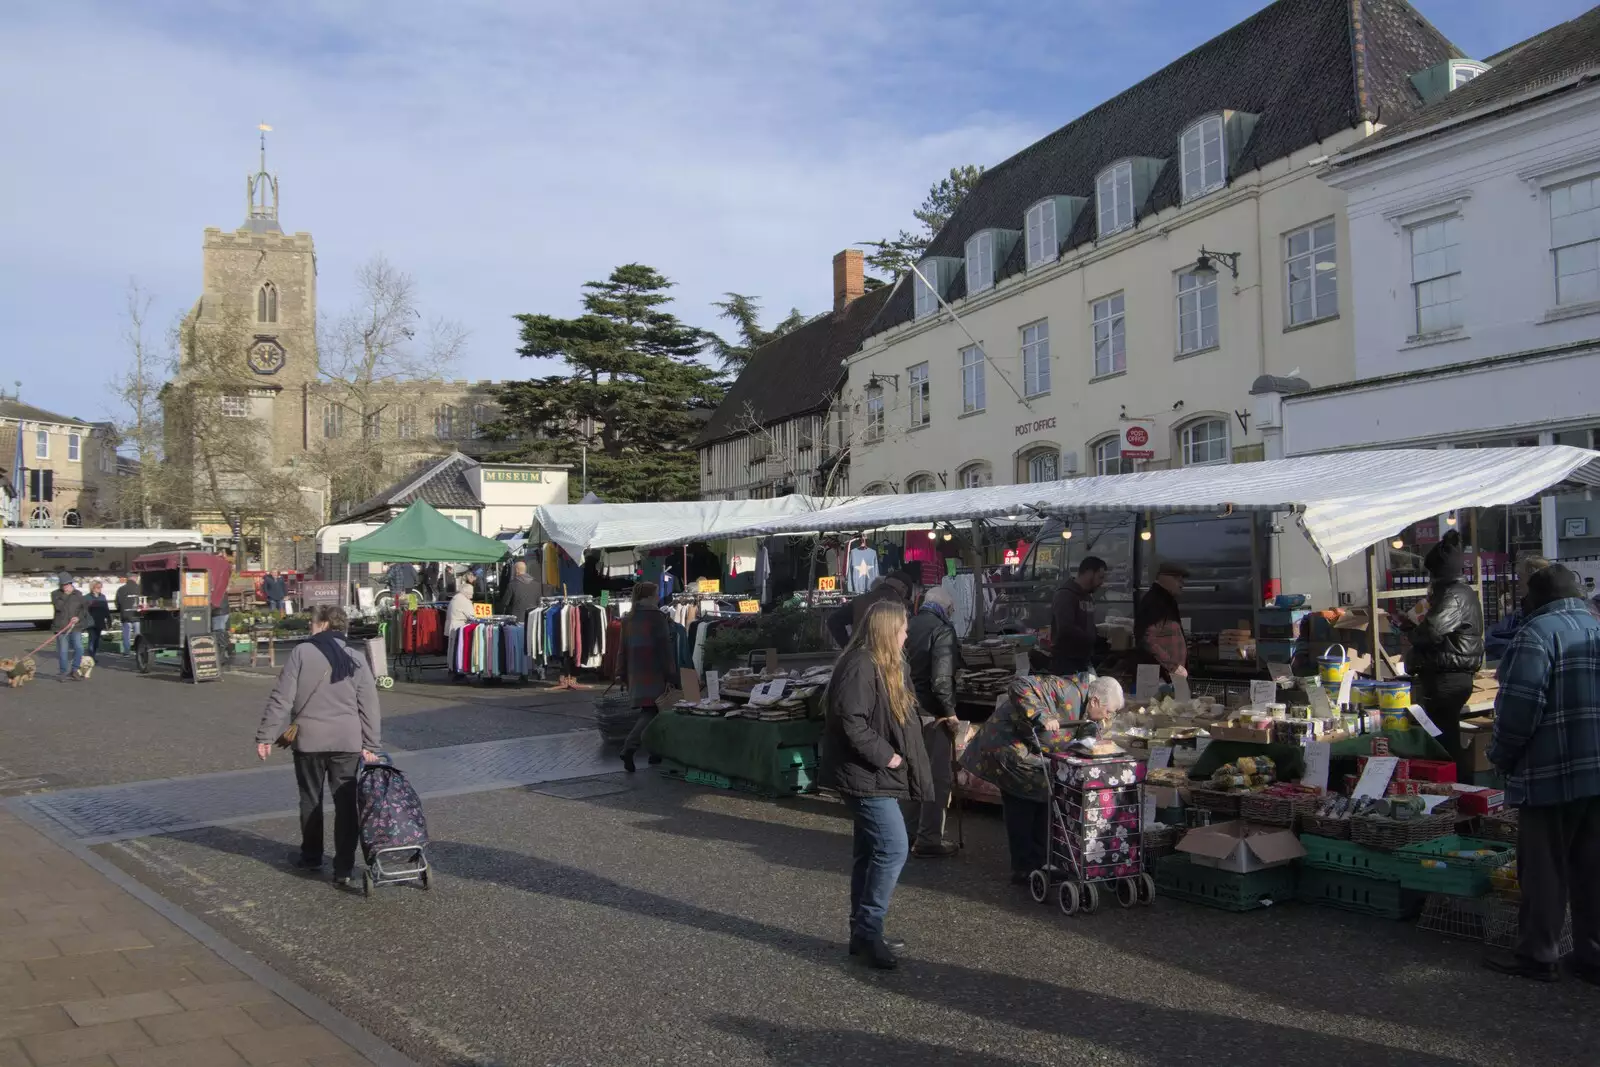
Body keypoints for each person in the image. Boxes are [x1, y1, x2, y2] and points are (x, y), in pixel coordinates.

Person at [1486, 565, 1600, 983]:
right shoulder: (1595, 627)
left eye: (1524, 595)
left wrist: (1501, 756)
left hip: (1550, 774)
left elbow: (1518, 711)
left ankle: (1539, 954)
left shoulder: (1537, 634)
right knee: (1593, 868)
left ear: (1538, 598)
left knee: (1544, 868)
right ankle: (1592, 957)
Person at [819, 600, 934, 970]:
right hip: (866, 774)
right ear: (887, 631)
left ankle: (862, 932)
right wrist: (889, 756)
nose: (906, 635)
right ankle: (868, 931)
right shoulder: (862, 665)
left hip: (872, 774)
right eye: (902, 629)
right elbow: (851, 721)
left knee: (870, 851)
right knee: (893, 847)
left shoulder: (884, 663)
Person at [254, 604, 381, 887]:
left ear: (323, 624)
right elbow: (369, 706)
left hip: (309, 741)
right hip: (347, 742)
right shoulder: (356, 657)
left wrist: (265, 736)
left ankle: (311, 857)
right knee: (346, 804)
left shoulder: (302, 652)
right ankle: (344, 867)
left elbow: (282, 698)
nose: (310, 627)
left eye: (313, 622)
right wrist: (372, 743)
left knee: (311, 798)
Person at [960, 674, 1125, 884]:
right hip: (1008, 747)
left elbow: (1085, 731)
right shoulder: (1065, 689)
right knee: (1022, 803)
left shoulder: (1089, 709)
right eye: (1108, 712)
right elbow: (1019, 684)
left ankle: (1040, 862)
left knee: (1044, 799)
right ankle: (1024, 867)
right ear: (1094, 701)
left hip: (1032, 752)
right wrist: (1042, 715)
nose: (1106, 718)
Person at [1398, 530, 1483, 780]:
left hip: (1448, 677)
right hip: (1448, 675)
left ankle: (1461, 790)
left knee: (1445, 743)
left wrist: (1411, 629)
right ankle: (1461, 788)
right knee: (1446, 739)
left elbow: (1431, 631)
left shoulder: (1454, 595)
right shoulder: (1457, 593)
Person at [904, 585, 962, 858]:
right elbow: (941, 679)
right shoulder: (942, 629)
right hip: (931, 713)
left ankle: (908, 833)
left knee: (912, 772)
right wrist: (949, 712)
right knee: (937, 777)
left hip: (905, 709)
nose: (951, 614)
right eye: (951, 610)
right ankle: (929, 839)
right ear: (945, 608)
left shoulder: (908, 625)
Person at [618, 581, 679, 774]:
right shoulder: (657, 617)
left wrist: (621, 672)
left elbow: (622, 648)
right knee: (653, 711)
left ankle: (655, 753)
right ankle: (629, 747)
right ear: (650, 596)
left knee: (653, 711)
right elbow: (664, 649)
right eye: (656, 594)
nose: (658, 597)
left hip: (636, 672)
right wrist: (672, 675)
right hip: (654, 671)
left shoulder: (629, 618)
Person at [826, 568, 919, 648]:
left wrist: (848, 646)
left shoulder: (860, 600)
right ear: (904, 589)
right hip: (888, 660)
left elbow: (833, 621)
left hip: (859, 656)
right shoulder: (902, 605)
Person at [1051, 556, 1108, 676]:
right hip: (1067, 664)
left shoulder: (1088, 597)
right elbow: (1066, 628)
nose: (1101, 583)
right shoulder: (1065, 595)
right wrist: (1091, 639)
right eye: (1100, 577)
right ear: (1088, 573)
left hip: (1084, 660)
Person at [1135, 561, 1189, 680]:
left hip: (1169, 675)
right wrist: (1173, 667)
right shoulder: (1154, 602)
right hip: (1159, 677)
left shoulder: (1167, 600)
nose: (1182, 583)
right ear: (1162, 578)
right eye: (1177, 578)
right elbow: (1147, 639)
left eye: (1182, 579)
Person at [50, 574, 88, 681]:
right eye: (63, 585)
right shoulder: (55, 594)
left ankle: (74, 670)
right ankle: (63, 672)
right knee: (63, 651)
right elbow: (58, 607)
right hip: (61, 627)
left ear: (71, 583)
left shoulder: (78, 594)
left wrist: (78, 617)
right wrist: (66, 595)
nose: (65, 587)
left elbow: (84, 609)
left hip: (75, 626)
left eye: (67, 584)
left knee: (79, 648)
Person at [84, 581, 111, 658]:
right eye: (98, 587)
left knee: (97, 640)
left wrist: (109, 620)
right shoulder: (87, 597)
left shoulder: (102, 597)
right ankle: (91, 656)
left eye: (100, 587)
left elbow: (106, 609)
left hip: (99, 621)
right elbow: (83, 610)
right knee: (92, 638)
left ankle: (93, 654)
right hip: (90, 622)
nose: (100, 589)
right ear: (93, 588)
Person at [114, 574, 140, 655]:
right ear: (135, 578)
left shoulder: (121, 589)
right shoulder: (140, 588)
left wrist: (121, 610)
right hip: (138, 615)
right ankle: (138, 651)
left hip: (125, 615)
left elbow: (117, 602)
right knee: (138, 635)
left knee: (126, 635)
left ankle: (127, 652)